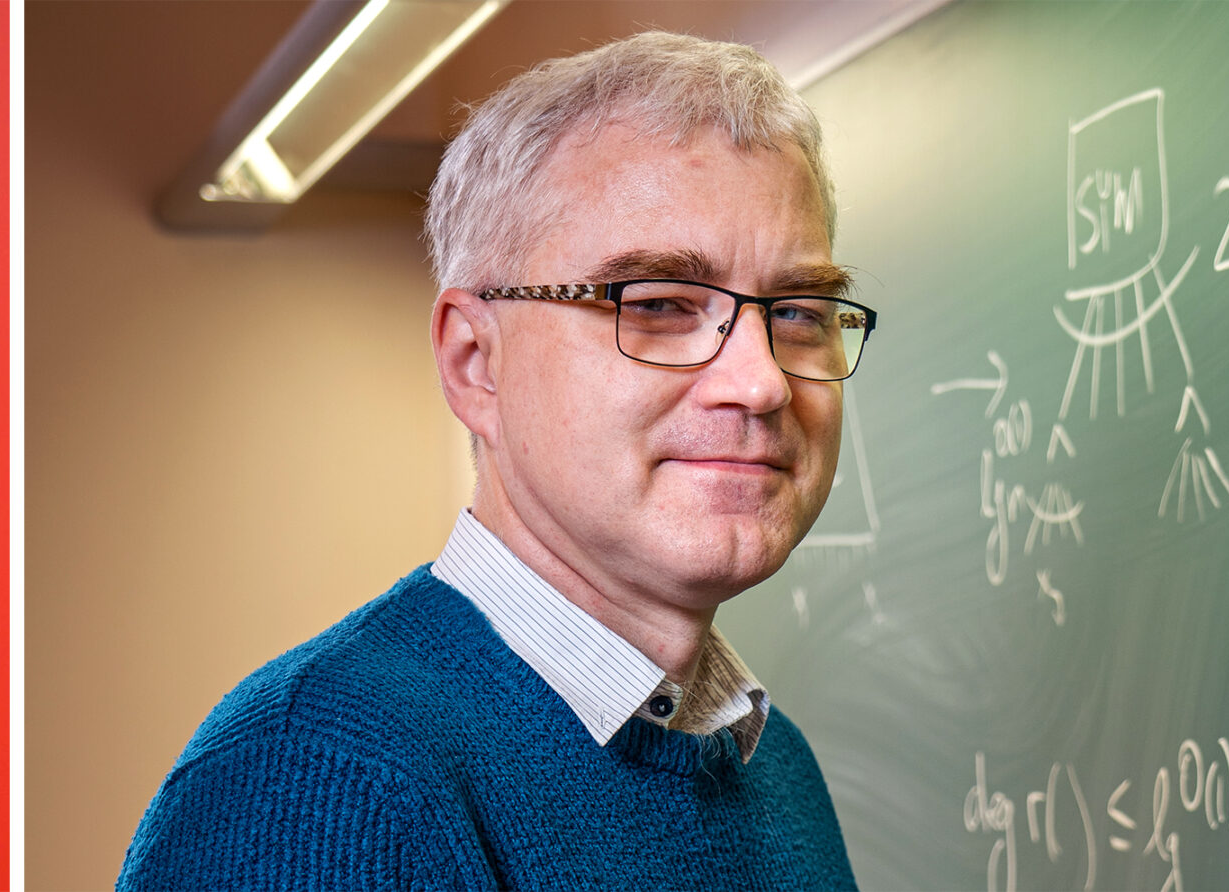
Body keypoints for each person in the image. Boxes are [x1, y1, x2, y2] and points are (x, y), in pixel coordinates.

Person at [119, 32, 872, 889]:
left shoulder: (774, 771)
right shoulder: (314, 782)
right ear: (476, 363)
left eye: (802, 312)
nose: (760, 383)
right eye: (658, 303)